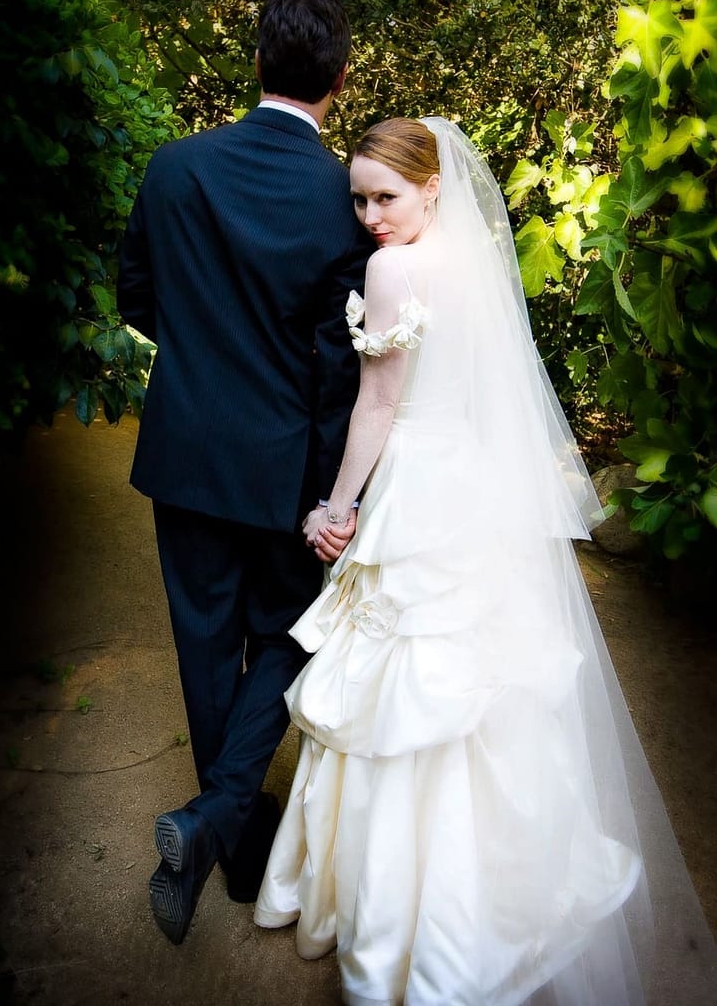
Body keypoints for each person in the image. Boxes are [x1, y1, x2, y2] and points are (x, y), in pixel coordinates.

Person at [253, 118, 717, 1004]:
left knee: (406, 684)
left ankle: (403, 911)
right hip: (475, 488)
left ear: (432, 187)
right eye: (357, 199)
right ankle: (493, 887)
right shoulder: (475, 262)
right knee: (477, 679)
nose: (368, 217)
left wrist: (338, 506)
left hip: (419, 486)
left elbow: (380, 406)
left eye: (384, 196)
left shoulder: (392, 270)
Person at [116, 0, 373, 946]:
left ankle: (217, 833)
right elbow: (337, 358)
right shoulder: (343, 197)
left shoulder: (174, 166)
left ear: (256, 65)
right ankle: (223, 823)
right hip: (283, 468)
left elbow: (136, 291)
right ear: (339, 83)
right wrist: (332, 489)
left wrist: (199, 362)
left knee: (203, 639)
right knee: (291, 635)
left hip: (185, 453)